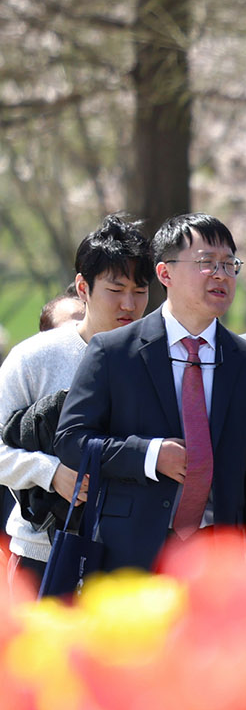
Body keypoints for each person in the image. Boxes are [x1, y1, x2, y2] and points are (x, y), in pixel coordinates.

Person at [54, 213, 246, 573]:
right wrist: (149, 455)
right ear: (165, 274)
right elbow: (71, 439)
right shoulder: (114, 351)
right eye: (206, 263)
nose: (221, 274)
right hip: (130, 555)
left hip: (219, 560)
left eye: (229, 264)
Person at [0, 217, 151, 585]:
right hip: (43, 556)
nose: (129, 304)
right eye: (115, 290)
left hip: (133, 562)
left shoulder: (160, 359)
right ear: (83, 288)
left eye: (140, 290)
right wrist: (52, 475)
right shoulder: (34, 357)